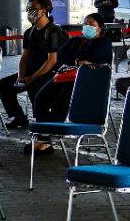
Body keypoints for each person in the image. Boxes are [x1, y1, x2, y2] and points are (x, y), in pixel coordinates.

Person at [28, 13, 113, 152]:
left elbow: (97, 57)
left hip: (87, 82)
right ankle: (43, 136)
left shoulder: (103, 43)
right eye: (86, 24)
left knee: (62, 100)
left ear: (100, 28)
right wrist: (77, 61)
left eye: (92, 25)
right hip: (66, 76)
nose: (88, 27)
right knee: (40, 98)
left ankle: (49, 138)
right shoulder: (75, 41)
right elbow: (61, 56)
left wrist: (78, 59)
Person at [0, 0, 67, 130]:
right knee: (4, 85)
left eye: (34, 8)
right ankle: (19, 117)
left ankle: (42, 123)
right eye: (28, 8)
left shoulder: (53, 32)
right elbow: (24, 57)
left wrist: (32, 78)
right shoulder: (29, 32)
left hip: (50, 73)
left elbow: (52, 61)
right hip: (31, 73)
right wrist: (21, 77)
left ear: (44, 10)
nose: (30, 12)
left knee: (35, 86)